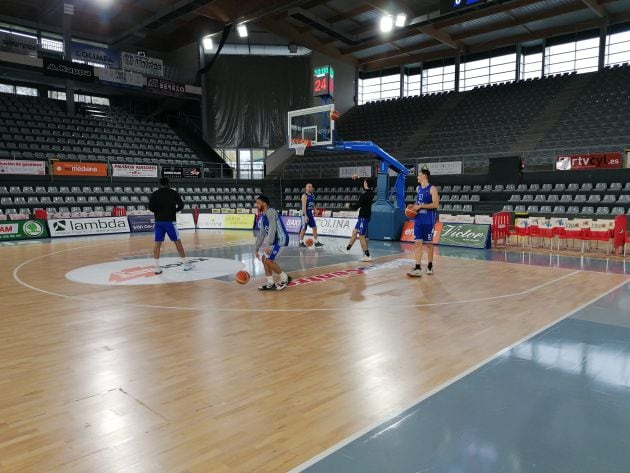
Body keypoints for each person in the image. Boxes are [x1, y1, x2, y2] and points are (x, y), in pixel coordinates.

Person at [148, 177, 192, 274]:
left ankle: (157, 267)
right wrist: (174, 210)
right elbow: (181, 205)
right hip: (170, 221)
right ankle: (185, 264)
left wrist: (158, 211)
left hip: (158, 221)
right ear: (168, 183)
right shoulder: (173, 193)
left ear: (160, 184)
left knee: (157, 244)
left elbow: (150, 207)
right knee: (177, 242)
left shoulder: (155, 194)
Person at [255, 194, 292, 291]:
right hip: (274, 242)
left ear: (264, 203)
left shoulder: (271, 211)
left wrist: (268, 244)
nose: (257, 205)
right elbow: (261, 234)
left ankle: (285, 278)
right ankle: (270, 282)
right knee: (264, 259)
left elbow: (272, 229)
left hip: (281, 239)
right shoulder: (263, 218)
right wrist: (256, 248)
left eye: (258, 203)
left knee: (268, 260)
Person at [407, 169, 439, 277]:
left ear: (424, 176)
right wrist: (413, 207)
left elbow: (435, 204)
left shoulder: (432, 189)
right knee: (417, 243)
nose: (417, 177)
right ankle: (417, 267)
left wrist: (421, 206)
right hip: (418, 219)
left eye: (419, 175)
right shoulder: (418, 188)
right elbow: (418, 202)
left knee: (429, 244)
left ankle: (430, 265)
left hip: (429, 220)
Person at [345, 177, 375, 262]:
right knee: (354, 232)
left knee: (361, 236)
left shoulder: (364, 195)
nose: (363, 183)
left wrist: (349, 205)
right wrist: (358, 178)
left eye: (364, 182)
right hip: (365, 216)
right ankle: (347, 249)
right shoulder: (371, 193)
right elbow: (363, 183)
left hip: (363, 217)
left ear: (366, 184)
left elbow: (356, 206)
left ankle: (367, 255)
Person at [299, 183, 323, 247]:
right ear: (306, 188)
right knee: (304, 229)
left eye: (311, 187)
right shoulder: (304, 195)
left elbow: (312, 204)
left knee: (314, 228)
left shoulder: (312, 195)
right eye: (309, 186)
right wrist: (305, 215)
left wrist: (315, 209)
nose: (311, 188)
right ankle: (300, 242)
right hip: (304, 214)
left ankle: (316, 242)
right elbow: (303, 206)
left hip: (310, 214)